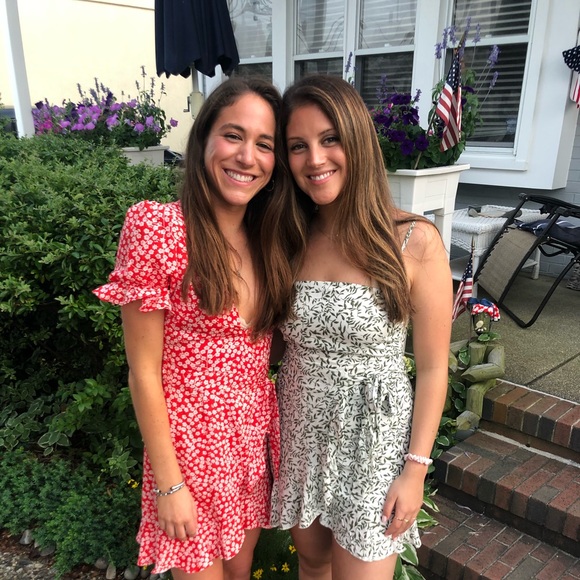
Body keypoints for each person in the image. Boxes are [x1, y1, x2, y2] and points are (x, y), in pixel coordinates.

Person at [94, 77, 302, 579]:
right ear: (204, 138)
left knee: (240, 574)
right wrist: (169, 485)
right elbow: (143, 372)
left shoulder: (270, 241)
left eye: (265, 144)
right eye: (233, 135)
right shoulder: (158, 229)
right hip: (187, 453)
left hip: (250, 447)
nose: (247, 157)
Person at [270, 74, 453, 580]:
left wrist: (415, 470)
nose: (315, 159)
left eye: (330, 139)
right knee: (312, 563)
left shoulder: (413, 240)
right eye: (298, 146)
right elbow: (272, 345)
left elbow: (434, 368)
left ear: (357, 141)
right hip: (301, 429)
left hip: (375, 442)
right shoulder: (288, 236)